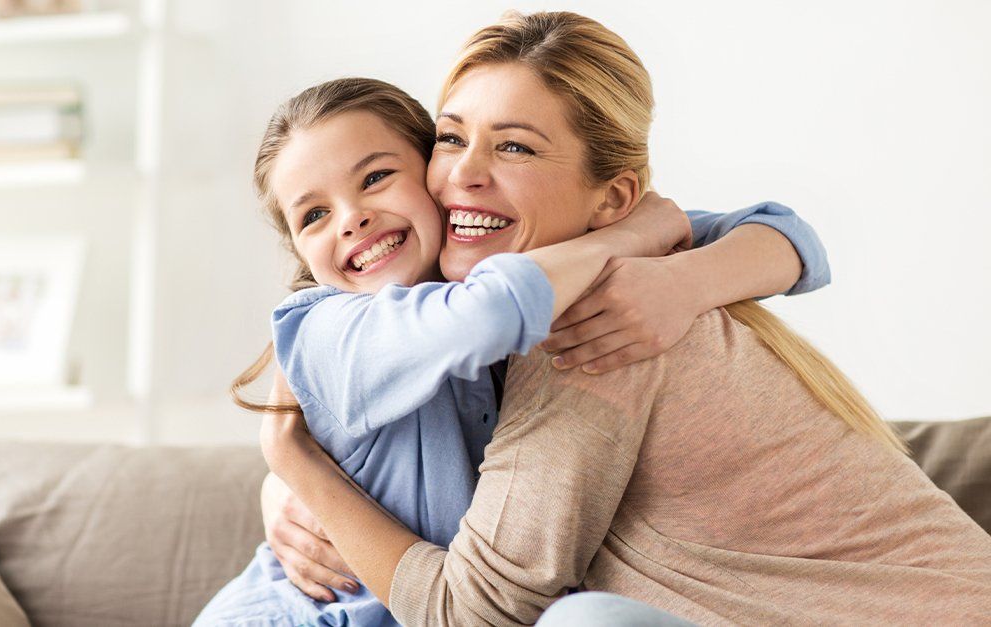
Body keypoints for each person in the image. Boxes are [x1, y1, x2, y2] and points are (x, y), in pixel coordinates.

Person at [261, 11, 991, 626]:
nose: (463, 175)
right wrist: (280, 491)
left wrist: (298, 464)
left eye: (514, 145)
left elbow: (471, 611)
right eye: (451, 138)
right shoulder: (596, 273)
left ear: (612, 200)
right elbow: (746, 230)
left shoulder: (601, 320)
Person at [196, 70, 830, 626]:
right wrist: (627, 237)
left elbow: (789, 236)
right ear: (300, 253)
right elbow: (492, 312)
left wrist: (682, 276)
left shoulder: (474, 281)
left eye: (377, 177)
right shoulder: (331, 329)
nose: (351, 218)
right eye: (313, 216)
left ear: (434, 180)